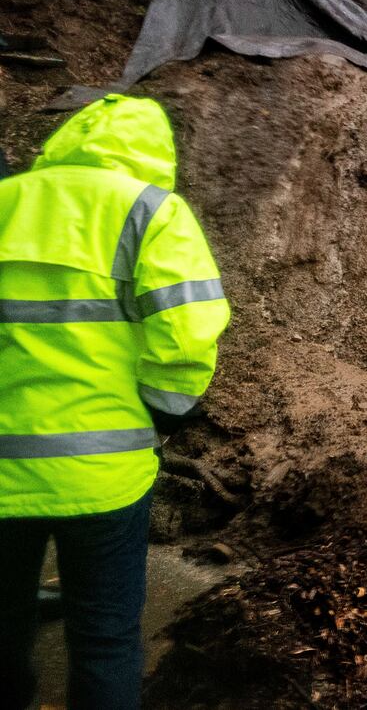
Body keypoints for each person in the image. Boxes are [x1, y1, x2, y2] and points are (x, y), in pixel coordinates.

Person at [0, 94, 230, 710]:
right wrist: (162, 412)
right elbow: (186, 332)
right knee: (104, 639)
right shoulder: (151, 212)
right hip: (106, 472)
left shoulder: (7, 199)